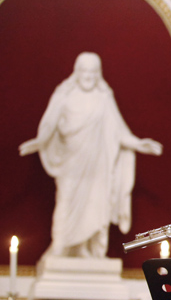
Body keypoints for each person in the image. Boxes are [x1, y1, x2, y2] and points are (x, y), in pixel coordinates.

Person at [19, 52, 163, 259]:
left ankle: (86, 249)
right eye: (85, 70)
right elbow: (50, 124)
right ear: (77, 72)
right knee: (66, 202)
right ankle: (60, 246)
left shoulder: (104, 98)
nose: (89, 75)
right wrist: (39, 142)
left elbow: (118, 130)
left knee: (96, 206)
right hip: (72, 164)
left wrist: (140, 144)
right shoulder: (64, 95)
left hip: (98, 166)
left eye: (93, 71)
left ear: (99, 73)